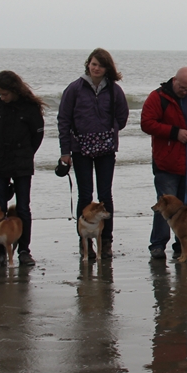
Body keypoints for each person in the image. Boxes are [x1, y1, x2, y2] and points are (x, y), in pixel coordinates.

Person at [57, 48, 130, 260]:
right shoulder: (74, 89)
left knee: (105, 195)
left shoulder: (115, 90)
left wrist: (111, 129)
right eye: (93, 64)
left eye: (100, 65)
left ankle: (106, 241)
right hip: (80, 149)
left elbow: (123, 116)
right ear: (88, 64)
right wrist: (65, 151)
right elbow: (63, 120)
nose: (96, 68)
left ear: (107, 68)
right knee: (85, 195)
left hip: (106, 149)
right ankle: (85, 243)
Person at [140, 67, 187, 260]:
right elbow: (146, 123)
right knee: (164, 206)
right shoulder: (157, 97)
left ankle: (183, 244)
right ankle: (157, 245)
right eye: (182, 87)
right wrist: (175, 132)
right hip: (167, 162)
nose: (185, 92)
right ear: (174, 80)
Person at [0, 71, 46, 266]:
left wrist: (27, 154)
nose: (2, 97)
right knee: (0, 205)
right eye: (0, 94)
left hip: (22, 163)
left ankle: (23, 249)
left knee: (23, 207)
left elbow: (37, 136)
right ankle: (1, 252)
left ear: (14, 90)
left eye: (5, 94)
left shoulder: (30, 109)